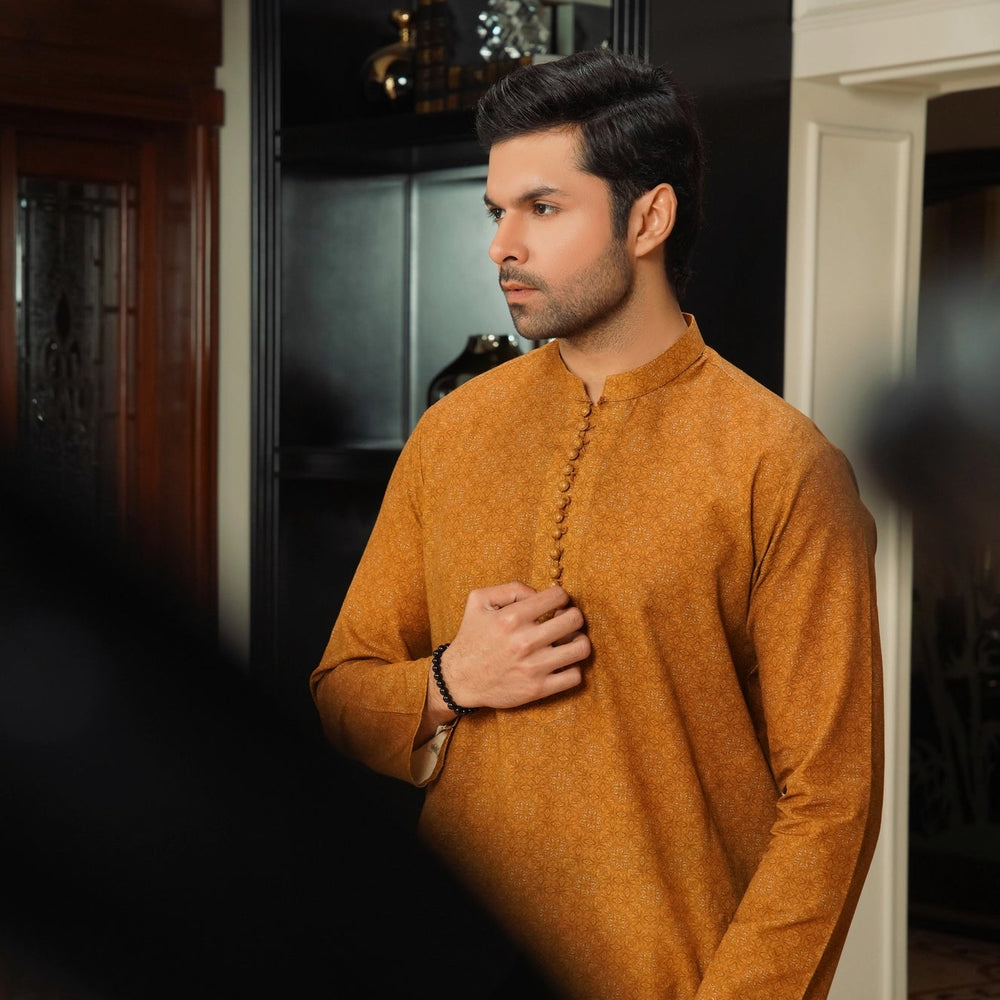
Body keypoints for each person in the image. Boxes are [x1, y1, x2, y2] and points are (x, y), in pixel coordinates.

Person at [311, 49, 883, 1000]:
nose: (501, 245)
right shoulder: (452, 434)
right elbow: (341, 696)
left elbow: (832, 801)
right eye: (496, 211)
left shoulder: (779, 464)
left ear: (648, 218)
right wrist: (452, 681)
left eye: (542, 208)